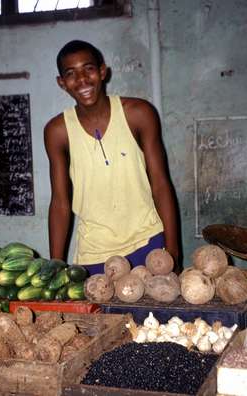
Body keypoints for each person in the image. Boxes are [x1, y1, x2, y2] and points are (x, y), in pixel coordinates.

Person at [44, 40, 180, 274]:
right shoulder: (57, 132)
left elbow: (160, 183)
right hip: (94, 256)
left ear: (103, 71)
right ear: (61, 83)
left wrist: (173, 249)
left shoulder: (138, 114)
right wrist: (55, 266)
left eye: (89, 69)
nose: (83, 80)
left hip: (148, 243)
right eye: (71, 73)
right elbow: (60, 202)